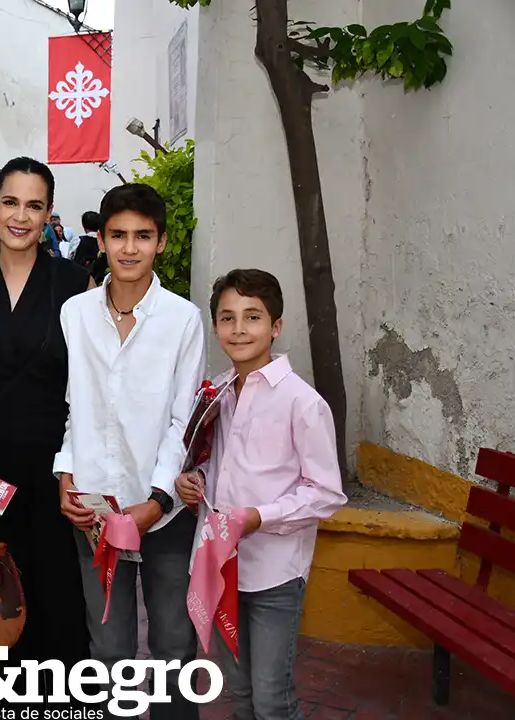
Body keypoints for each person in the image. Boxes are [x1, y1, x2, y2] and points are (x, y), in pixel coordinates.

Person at [55, 183, 206, 720]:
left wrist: (157, 502)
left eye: (143, 236)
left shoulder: (183, 319)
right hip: (95, 509)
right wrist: (66, 476)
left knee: (173, 646)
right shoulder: (75, 314)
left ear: (161, 242)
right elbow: (73, 408)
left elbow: (183, 421)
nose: (129, 248)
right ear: (100, 239)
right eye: (118, 235)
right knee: (107, 649)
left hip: (163, 512)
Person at [177, 269, 347, 720]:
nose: (238, 329)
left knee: (272, 698)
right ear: (216, 327)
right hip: (220, 565)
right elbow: (218, 460)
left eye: (252, 317)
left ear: (276, 326)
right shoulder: (218, 392)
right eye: (227, 318)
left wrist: (259, 516)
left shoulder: (302, 402)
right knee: (240, 692)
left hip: (274, 573)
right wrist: (196, 478)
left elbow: (326, 493)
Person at [0, 157, 93, 709]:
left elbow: (88, 387)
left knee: (57, 602)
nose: (20, 216)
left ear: (48, 213)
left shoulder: (74, 283)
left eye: (34, 205)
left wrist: (73, 466)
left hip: (52, 470)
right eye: (10, 202)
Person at [71, 210, 102, 275]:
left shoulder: (77, 241)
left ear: (83, 225)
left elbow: (70, 258)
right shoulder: (105, 242)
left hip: (80, 275)